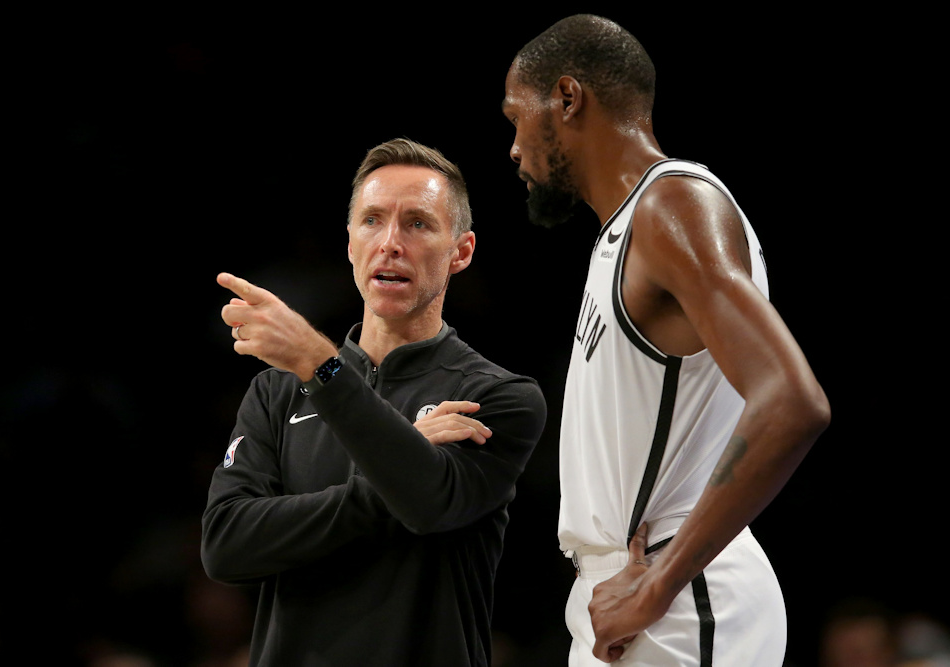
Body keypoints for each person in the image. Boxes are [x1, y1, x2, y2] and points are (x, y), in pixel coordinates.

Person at [502, 15, 831, 666]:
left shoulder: (673, 204)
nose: (513, 148)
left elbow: (793, 401)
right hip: (627, 593)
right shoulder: (626, 231)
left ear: (567, 98)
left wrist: (659, 583)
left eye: (516, 117)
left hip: (675, 592)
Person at [200, 138, 547, 666]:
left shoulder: (498, 396)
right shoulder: (275, 392)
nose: (390, 243)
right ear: (349, 244)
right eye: (372, 221)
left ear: (461, 252)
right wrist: (407, 451)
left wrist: (321, 364)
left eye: (418, 224)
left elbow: (427, 503)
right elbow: (226, 545)